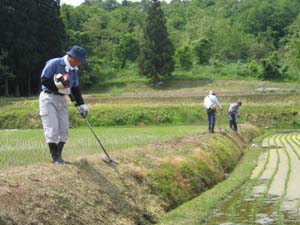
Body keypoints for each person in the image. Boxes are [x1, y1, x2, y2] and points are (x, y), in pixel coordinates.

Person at [39, 45, 89, 164]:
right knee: (52, 128)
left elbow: (75, 89)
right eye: (78, 60)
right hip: (48, 97)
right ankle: (55, 158)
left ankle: (59, 156)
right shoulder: (54, 63)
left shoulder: (74, 71)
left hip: (62, 99)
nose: (79, 63)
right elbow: (44, 79)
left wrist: (82, 104)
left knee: (64, 129)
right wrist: (58, 88)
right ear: (71, 57)